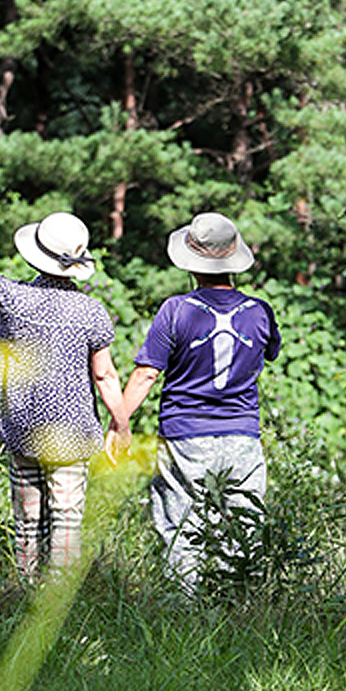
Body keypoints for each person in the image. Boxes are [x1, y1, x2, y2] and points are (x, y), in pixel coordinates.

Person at [0, 207, 130, 580]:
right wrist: (120, 426)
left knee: (28, 520)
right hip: (71, 434)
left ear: (37, 257)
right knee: (67, 522)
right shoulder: (92, 312)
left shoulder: (14, 298)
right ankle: (55, 604)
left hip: (23, 427)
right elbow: (104, 376)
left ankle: (24, 590)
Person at [121, 211, 281, 590]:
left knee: (181, 526)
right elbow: (270, 352)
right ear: (232, 260)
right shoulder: (259, 311)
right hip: (243, 435)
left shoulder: (174, 311)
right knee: (242, 527)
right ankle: (238, 605)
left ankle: (183, 610)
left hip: (184, 436)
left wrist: (119, 423)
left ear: (192, 264)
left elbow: (145, 374)